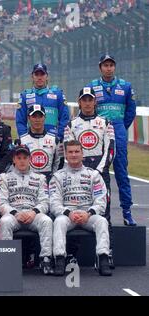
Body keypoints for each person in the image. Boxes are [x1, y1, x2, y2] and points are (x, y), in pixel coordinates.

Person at [64, 87, 116, 266]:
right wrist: (80, 169)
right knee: (74, 210)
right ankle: (71, 253)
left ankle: (105, 253)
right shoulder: (71, 124)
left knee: (104, 213)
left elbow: (111, 149)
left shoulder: (105, 122)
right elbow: (67, 151)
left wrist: (99, 170)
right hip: (77, 173)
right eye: (84, 99)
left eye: (90, 99)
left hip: (100, 173)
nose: (87, 103)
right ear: (79, 102)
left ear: (95, 102)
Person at [87, 55, 137, 226]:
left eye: (111, 65)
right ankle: (97, 211)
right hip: (98, 133)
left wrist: (120, 127)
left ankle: (127, 212)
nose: (108, 68)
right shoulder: (92, 86)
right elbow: (87, 108)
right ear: (100, 67)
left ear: (114, 67)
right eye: (105, 65)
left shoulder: (125, 86)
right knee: (97, 172)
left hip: (119, 130)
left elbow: (131, 112)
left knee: (122, 171)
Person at [50, 140, 112, 276]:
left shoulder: (94, 175)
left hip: (88, 215)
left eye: (77, 151)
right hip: (68, 216)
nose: (74, 155)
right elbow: (54, 202)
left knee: (102, 221)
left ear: (82, 154)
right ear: (65, 155)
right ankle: (60, 260)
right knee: (59, 221)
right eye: (70, 152)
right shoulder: (58, 176)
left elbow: (101, 201)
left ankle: (103, 259)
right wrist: (68, 213)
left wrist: (88, 214)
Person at [0, 144, 53, 275]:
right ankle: (6, 261)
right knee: (4, 222)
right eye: (19, 157)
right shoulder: (4, 177)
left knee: (47, 221)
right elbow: (1, 202)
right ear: (14, 160)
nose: (22, 160)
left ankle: (46, 259)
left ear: (30, 159)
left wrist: (34, 212)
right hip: (13, 215)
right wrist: (15, 213)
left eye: (25, 157)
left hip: (33, 215)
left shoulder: (40, 178)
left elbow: (45, 201)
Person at [16, 63, 69, 141]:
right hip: (31, 140)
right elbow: (20, 121)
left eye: (42, 74)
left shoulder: (57, 94)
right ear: (32, 76)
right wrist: (24, 138)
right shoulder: (25, 96)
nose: (39, 77)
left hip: (54, 140)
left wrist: (59, 137)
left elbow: (65, 118)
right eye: (37, 74)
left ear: (47, 76)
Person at [20, 104, 60, 182]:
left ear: (45, 118)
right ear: (29, 118)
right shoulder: (22, 140)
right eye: (34, 116)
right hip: (28, 183)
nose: (37, 120)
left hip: (48, 183)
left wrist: (53, 179)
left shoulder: (54, 140)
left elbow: (58, 163)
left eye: (40, 116)